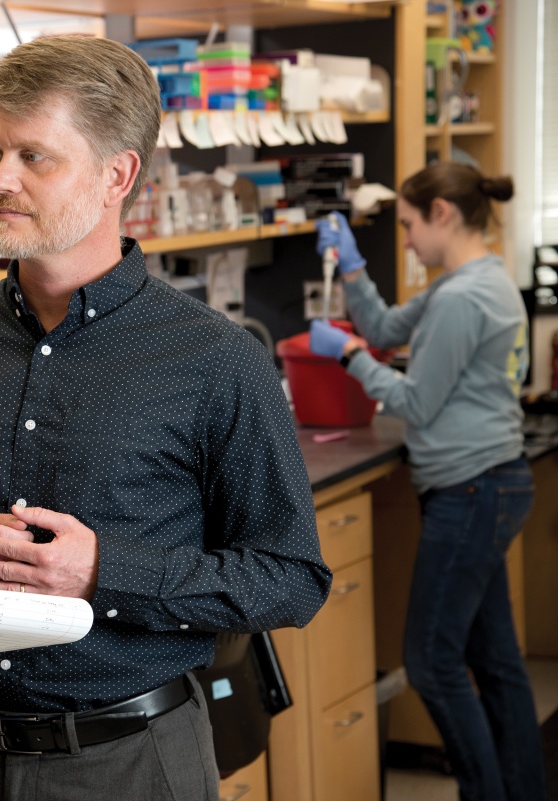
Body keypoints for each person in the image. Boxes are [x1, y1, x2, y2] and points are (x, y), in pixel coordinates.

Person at [0, 35, 332, 801]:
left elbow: (291, 578)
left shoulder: (215, 359)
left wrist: (103, 570)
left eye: (33, 157)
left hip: (133, 760)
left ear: (118, 175)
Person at [309, 163, 546, 801]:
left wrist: (349, 355)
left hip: (470, 491)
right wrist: (353, 272)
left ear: (442, 212)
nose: (407, 240)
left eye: (410, 225)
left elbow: (415, 401)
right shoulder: (476, 280)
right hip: (491, 483)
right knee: (494, 662)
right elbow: (388, 328)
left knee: (433, 664)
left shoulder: (463, 297)